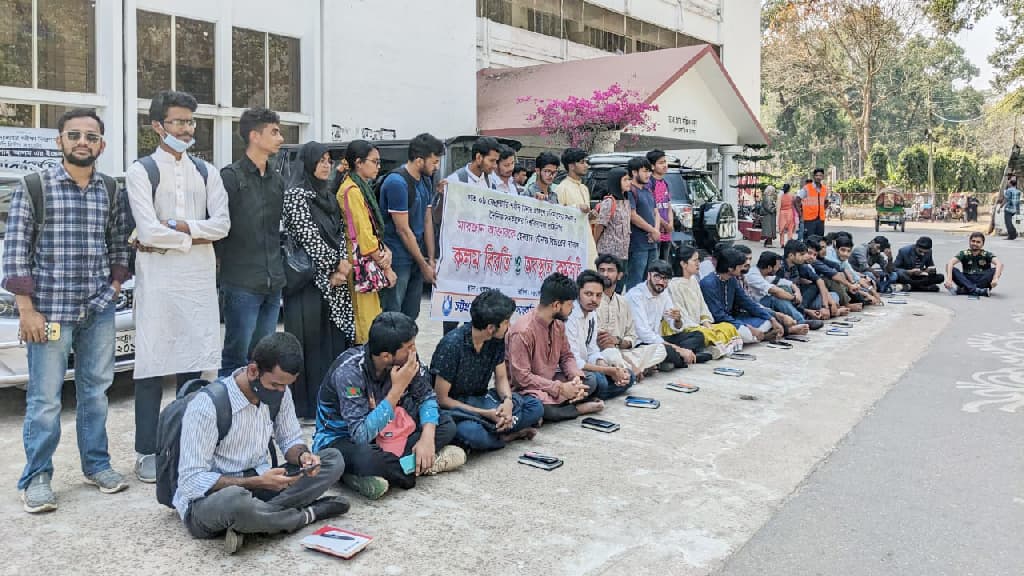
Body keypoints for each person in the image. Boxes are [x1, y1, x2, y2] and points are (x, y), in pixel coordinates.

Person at [3, 109, 131, 512]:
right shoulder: (34, 186)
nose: (82, 141)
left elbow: (118, 244)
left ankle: (97, 465)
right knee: (45, 398)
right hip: (49, 313)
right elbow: (15, 253)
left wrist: (113, 286)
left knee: (95, 392)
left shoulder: (110, 189)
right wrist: (27, 310)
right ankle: (37, 476)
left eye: (90, 136)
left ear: (101, 145)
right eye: (73, 134)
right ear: (59, 140)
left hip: (97, 310)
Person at [128, 91, 231, 482]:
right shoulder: (142, 171)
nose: (186, 129)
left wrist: (178, 229)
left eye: (190, 122)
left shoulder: (207, 171)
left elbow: (222, 225)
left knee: (195, 362)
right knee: (152, 364)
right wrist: (195, 236)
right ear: (157, 126)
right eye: (178, 122)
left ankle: (188, 443)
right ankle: (147, 450)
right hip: (157, 283)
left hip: (199, 282)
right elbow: (146, 226)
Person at [175, 332, 349, 554]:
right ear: (253, 371)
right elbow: (191, 481)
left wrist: (304, 457)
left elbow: (290, 440)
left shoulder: (280, 391)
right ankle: (306, 515)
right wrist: (257, 482)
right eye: (275, 385)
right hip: (213, 500)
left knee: (332, 459)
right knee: (237, 502)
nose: (280, 392)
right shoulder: (207, 406)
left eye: (285, 386)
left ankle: (252, 523)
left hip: (263, 485)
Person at [314, 312, 464, 500]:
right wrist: (397, 389)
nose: (414, 351)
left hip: (387, 431)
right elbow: (360, 435)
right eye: (409, 347)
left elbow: (426, 396)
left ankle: (394, 469)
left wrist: (427, 437)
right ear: (386, 356)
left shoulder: (407, 359)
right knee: (364, 457)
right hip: (344, 437)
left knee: (445, 424)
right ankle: (415, 467)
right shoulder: (349, 373)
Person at [282, 141, 356, 425]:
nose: (326, 165)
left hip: (334, 282)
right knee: (309, 345)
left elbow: (339, 236)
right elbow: (307, 237)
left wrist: (341, 268)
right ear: (307, 163)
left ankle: (329, 404)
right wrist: (335, 265)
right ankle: (306, 409)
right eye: (320, 160)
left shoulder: (328, 195)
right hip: (306, 283)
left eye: (328, 160)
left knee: (331, 344)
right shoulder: (296, 196)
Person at [218, 107, 287, 377]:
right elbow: (219, 230)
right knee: (236, 355)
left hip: (273, 281)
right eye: (274, 132)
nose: (280, 138)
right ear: (254, 136)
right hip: (241, 283)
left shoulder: (277, 180)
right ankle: (227, 413)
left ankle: (256, 413)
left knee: (263, 356)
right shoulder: (230, 178)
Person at [431, 290, 543, 451]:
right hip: (460, 408)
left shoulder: (495, 340)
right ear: (491, 327)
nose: (509, 326)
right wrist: (485, 413)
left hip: (483, 399)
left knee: (535, 406)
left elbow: (501, 378)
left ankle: (499, 428)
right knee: (471, 433)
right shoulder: (452, 345)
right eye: (506, 322)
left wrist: (507, 402)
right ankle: (507, 434)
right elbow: (443, 400)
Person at [506, 273, 605, 422]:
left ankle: (568, 401)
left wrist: (575, 378)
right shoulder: (523, 332)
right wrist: (559, 388)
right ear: (556, 305)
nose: (572, 309)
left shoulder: (558, 324)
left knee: (590, 380)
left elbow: (567, 356)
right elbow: (522, 378)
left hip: (551, 381)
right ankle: (576, 409)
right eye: (570, 305)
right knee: (539, 407)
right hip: (528, 389)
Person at [379, 133, 444, 320]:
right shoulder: (397, 183)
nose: (436, 166)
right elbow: (403, 230)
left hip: (417, 255)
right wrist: (424, 265)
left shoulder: (425, 179)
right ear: (418, 160)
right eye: (434, 162)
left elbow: (427, 219)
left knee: (411, 313)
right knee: (393, 313)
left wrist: (430, 259)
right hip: (398, 257)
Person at [337, 140, 394, 345]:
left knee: (370, 315)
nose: (378, 167)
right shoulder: (351, 190)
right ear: (359, 163)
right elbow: (364, 236)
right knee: (366, 319)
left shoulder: (359, 187)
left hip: (364, 257)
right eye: (375, 162)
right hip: (361, 260)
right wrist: (385, 265)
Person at [627, 260, 711, 370]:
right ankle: (684, 358)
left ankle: (670, 360)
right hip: (640, 343)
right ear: (648, 275)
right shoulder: (635, 296)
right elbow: (644, 334)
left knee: (698, 336)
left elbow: (675, 326)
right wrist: (679, 349)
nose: (661, 282)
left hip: (657, 340)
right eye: (657, 277)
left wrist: (677, 320)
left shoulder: (663, 292)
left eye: (665, 279)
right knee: (667, 350)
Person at [565, 270, 635, 399]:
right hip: (571, 370)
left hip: (587, 367)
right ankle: (589, 396)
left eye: (598, 295)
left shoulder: (591, 314)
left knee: (629, 376)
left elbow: (592, 351)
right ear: (578, 293)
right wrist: (609, 371)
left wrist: (608, 368)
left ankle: (590, 396)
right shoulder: (570, 316)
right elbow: (574, 362)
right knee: (598, 381)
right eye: (588, 294)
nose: (594, 300)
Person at [593, 254, 667, 375]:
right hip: (603, 354)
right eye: (602, 270)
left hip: (623, 351)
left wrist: (619, 341)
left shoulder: (623, 302)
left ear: (620, 275)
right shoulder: (593, 300)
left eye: (610, 270)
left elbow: (631, 336)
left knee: (660, 349)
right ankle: (632, 370)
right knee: (612, 355)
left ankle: (628, 370)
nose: (605, 274)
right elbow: (603, 342)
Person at [666, 247, 744, 356]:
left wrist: (707, 323)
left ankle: (711, 348)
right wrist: (702, 328)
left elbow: (702, 307)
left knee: (728, 327)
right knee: (702, 335)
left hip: (699, 325)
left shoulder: (693, 280)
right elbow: (681, 315)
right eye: (695, 260)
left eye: (699, 260)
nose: (698, 263)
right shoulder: (673, 285)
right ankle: (709, 349)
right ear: (683, 264)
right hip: (686, 328)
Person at [701, 249, 783, 344]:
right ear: (730, 269)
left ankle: (756, 336)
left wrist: (771, 318)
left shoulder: (732, 280)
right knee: (745, 333)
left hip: (734, 320)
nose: (742, 268)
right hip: (719, 323)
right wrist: (747, 327)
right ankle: (762, 336)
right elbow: (718, 315)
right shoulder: (708, 284)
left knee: (767, 322)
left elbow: (747, 302)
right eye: (740, 266)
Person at [746, 251, 822, 330]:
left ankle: (798, 316)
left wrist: (797, 291)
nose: (779, 268)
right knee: (776, 297)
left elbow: (786, 282)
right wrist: (794, 298)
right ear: (769, 268)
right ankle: (801, 321)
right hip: (756, 305)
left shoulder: (765, 273)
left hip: (765, 303)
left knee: (786, 288)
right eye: (777, 266)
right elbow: (775, 291)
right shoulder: (753, 275)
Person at [559, 147, 598, 266]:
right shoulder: (562, 188)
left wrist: (591, 215)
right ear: (571, 166)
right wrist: (576, 208)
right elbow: (559, 216)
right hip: (571, 242)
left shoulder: (584, 188)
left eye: (586, 162)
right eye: (582, 162)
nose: (586, 165)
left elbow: (586, 218)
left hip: (586, 239)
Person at [626, 156, 660, 290]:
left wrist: (655, 231)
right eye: (645, 171)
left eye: (649, 171)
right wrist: (652, 230)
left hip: (652, 243)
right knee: (635, 282)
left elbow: (655, 212)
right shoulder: (630, 191)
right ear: (634, 172)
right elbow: (633, 216)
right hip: (638, 244)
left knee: (652, 280)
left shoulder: (647, 190)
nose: (648, 174)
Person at [777, 240, 835, 320]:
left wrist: (826, 307)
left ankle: (806, 312)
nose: (805, 257)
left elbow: (819, 281)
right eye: (802, 254)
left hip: (798, 298)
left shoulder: (798, 264)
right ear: (791, 255)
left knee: (816, 287)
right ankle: (803, 313)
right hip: (785, 298)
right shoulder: (778, 267)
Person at [593, 167, 632, 273]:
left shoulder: (626, 202)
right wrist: (593, 245)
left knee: (619, 285)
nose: (629, 182)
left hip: (622, 252)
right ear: (616, 181)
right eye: (625, 180)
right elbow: (599, 226)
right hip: (608, 253)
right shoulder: (609, 202)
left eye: (629, 179)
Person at [945, 232, 1003, 297]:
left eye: (978, 242)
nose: (975, 243)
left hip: (982, 280)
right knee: (950, 267)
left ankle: (965, 290)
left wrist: (995, 279)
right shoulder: (964, 253)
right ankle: (978, 291)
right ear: (970, 242)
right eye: (973, 241)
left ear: (982, 244)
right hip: (966, 280)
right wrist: (949, 279)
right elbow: (950, 263)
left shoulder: (986, 254)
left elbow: (999, 264)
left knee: (996, 269)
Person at [647, 150, 675, 260]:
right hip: (656, 233)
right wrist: (665, 224)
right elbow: (652, 209)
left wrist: (671, 223)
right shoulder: (649, 183)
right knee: (655, 268)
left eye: (665, 162)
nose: (665, 165)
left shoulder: (665, 183)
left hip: (667, 234)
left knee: (665, 266)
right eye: (661, 163)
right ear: (652, 166)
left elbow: (668, 206)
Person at [800, 169, 829, 238]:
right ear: (814, 176)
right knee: (808, 240)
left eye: (820, 175)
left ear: (823, 177)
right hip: (809, 219)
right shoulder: (807, 188)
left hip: (820, 220)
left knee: (819, 240)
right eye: (817, 175)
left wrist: (822, 210)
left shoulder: (825, 189)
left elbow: (826, 202)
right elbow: (797, 201)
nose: (818, 177)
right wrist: (800, 213)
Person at [1004, 176, 1020, 240]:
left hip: (1008, 208)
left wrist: (1000, 207)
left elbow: (1005, 199)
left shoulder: (1008, 190)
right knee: (1010, 222)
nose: (1008, 184)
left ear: (1010, 184)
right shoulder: (1018, 191)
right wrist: (1018, 211)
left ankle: (1011, 235)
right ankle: (1014, 233)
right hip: (1014, 209)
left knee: (1008, 222)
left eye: (1009, 183)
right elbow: (1018, 202)